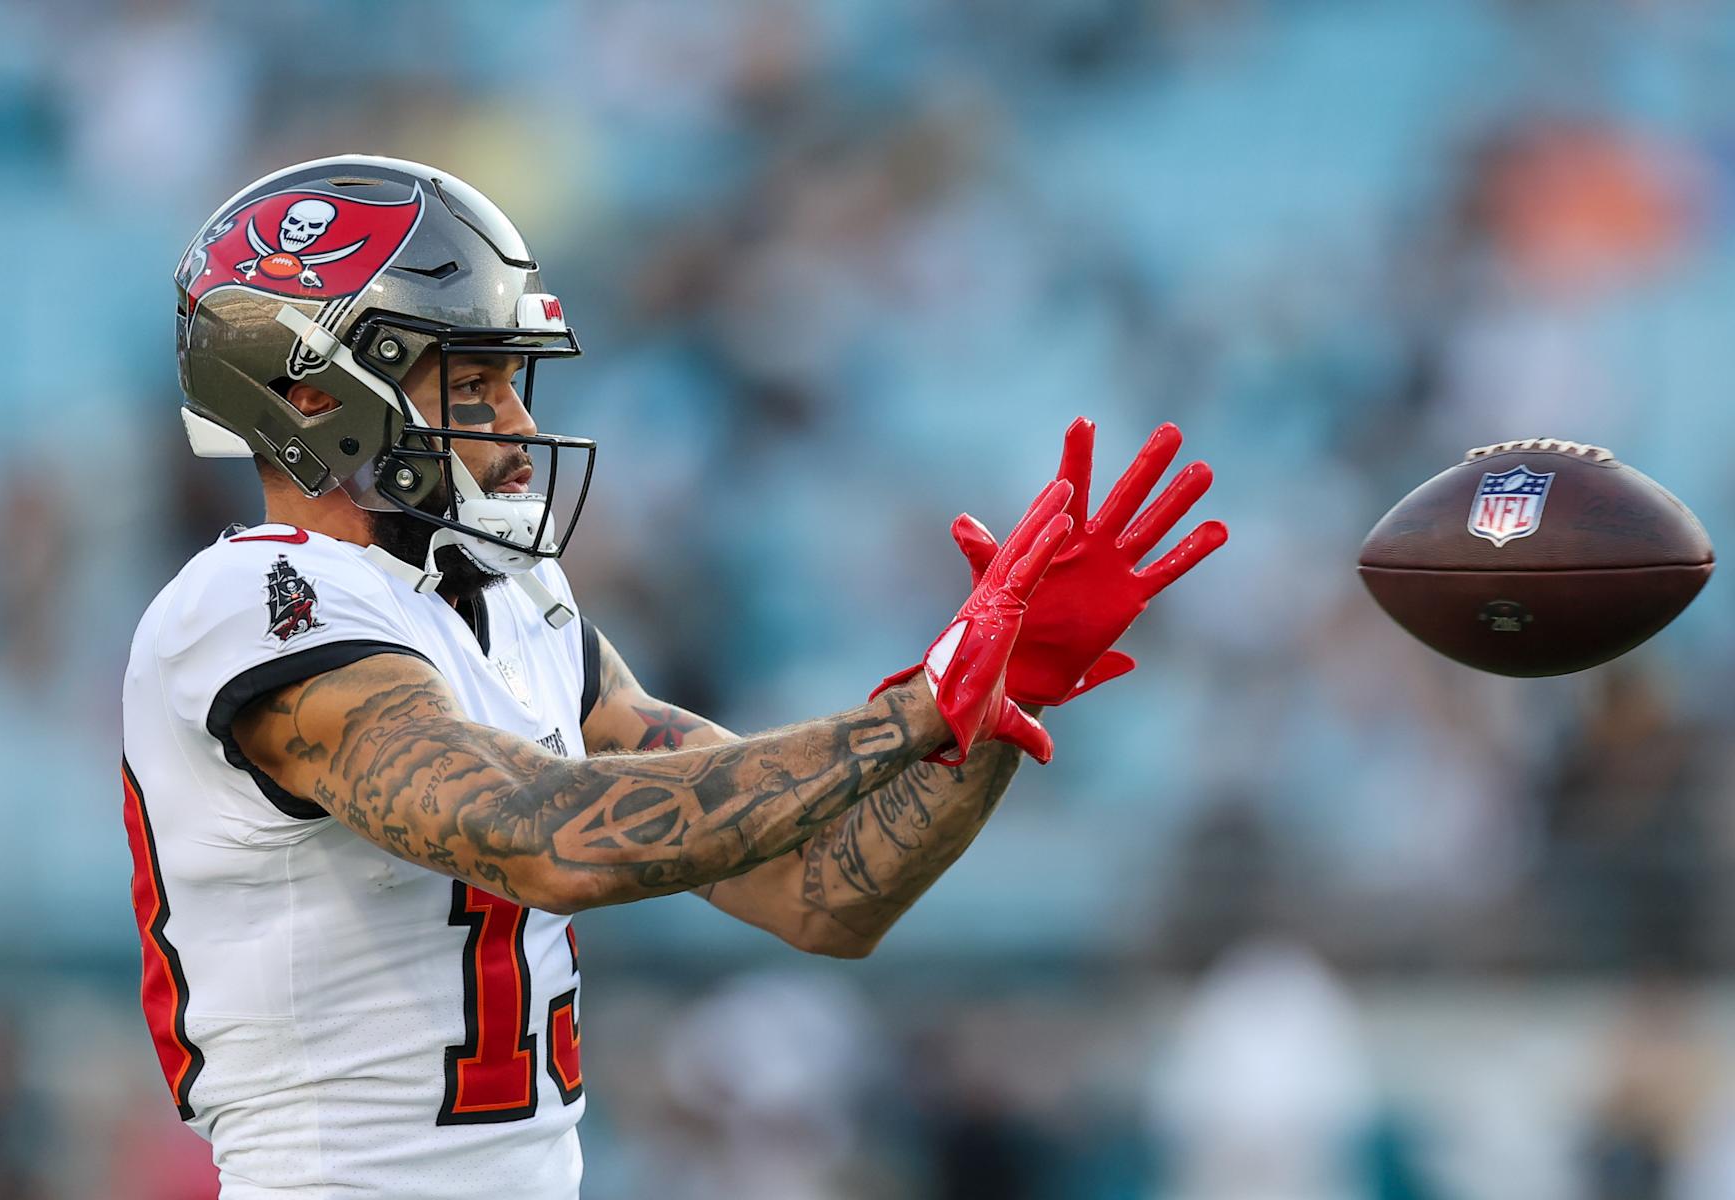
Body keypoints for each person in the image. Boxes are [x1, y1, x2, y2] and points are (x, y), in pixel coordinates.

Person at [120, 155, 1225, 1199]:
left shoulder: (516, 608)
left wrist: (987, 710)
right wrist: (910, 712)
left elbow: (824, 894)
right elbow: (542, 836)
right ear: (316, 394)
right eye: (479, 384)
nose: (517, 428)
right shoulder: (248, 612)